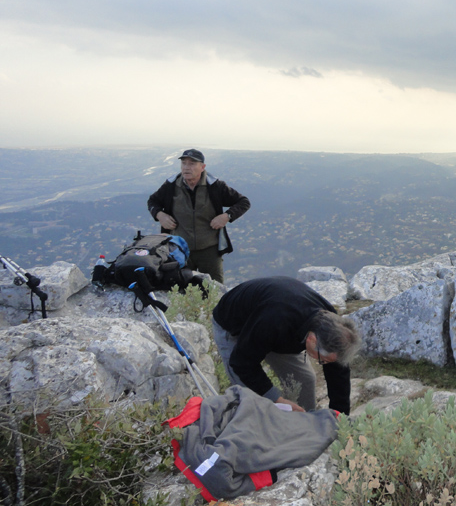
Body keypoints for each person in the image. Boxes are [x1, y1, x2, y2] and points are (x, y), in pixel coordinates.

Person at [211, 276, 362, 414]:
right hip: (234, 325)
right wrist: (276, 399)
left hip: (278, 331)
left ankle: (305, 424)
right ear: (312, 340)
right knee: (250, 397)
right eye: (321, 360)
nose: (321, 363)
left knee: (305, 380)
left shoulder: (333, 325)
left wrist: (340, 415)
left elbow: (338, 370)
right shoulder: (274, 320)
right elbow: (242, 362)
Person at [147, 148, 250, 283]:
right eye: (184, 163)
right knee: (179, 290)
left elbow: (243, 202)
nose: (186, 168)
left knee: (214, 291)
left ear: (202, 167)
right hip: (179, 250)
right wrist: (160, 215)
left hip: (209, 250)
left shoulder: (215, 186)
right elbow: (152, 201)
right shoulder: (171, 186)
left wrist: (226, 216)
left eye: (192, 164)